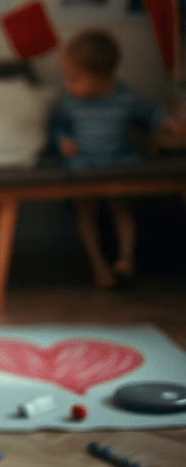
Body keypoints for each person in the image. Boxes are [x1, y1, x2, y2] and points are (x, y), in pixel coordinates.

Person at [51, 27, 186, 288]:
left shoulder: (126, 97)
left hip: (118, 163)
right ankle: (99, 266)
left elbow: (150, 113)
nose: (68, 84)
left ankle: (126, 258)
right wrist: (64, 142)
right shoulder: (69, 102)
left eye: (75, 78)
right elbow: (58, 128)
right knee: (85, 212)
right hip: (83, 164)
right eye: (66, 77)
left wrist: (170, 123)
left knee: (121, 208)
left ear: (102, 77)